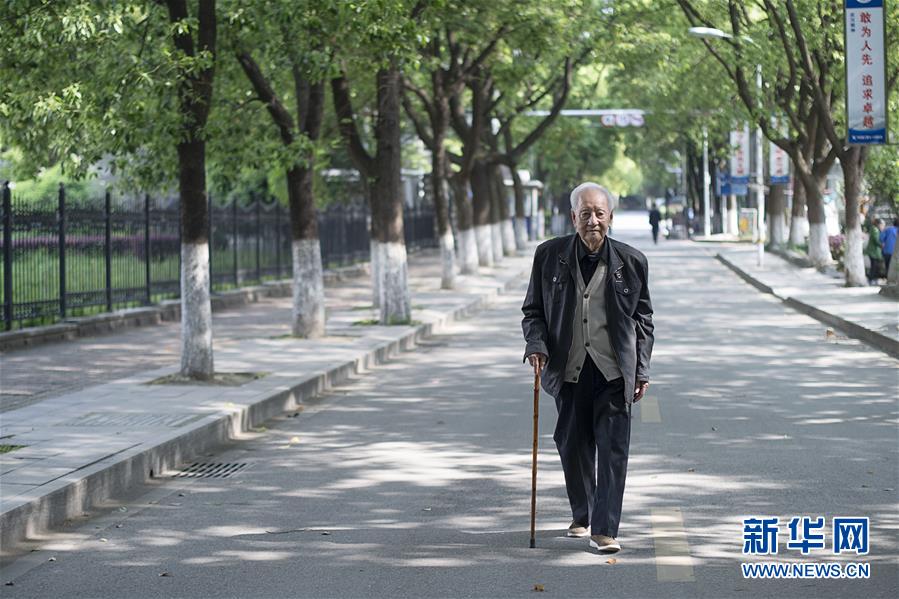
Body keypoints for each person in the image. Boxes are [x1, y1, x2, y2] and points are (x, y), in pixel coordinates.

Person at [521, 182, 655, 555]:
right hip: (568, 370)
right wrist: (536, 345)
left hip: (613, 373)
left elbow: (643, 320)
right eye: (585, 214)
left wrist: (641, 369)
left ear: (610, 216)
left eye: (599, 213)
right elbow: (533, 312)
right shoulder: (548, 256)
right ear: (573, 217)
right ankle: (583, 513)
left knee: (613, 450)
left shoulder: (632, 261)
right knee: (573, 446)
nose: (592, 220)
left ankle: (605, 529)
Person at [864, 218, 884, 285]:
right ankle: (871, 279)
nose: (883, 227)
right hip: (873, 252)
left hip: (874, 252)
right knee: (874, 266)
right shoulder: (875, 230)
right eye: (882, 225)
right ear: (879, 224)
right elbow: (876, 240)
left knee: (874, 266)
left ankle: (872, 279)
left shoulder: (874, 229)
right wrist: (882, 245)